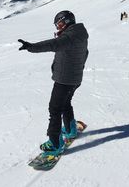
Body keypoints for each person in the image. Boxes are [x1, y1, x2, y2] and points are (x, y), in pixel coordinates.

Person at [18, 10, 89, 156]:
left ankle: (55, 143)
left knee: (55, 109)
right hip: (74, 78)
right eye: (57, 25)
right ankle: (70, 130)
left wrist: (31, 47)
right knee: (66, 104)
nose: (58, 27)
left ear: (68, 22)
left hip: (64, 80)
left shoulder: (69, 37)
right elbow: (85, 54)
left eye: (60, 24)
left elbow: (53, 44)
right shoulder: (80, 34)